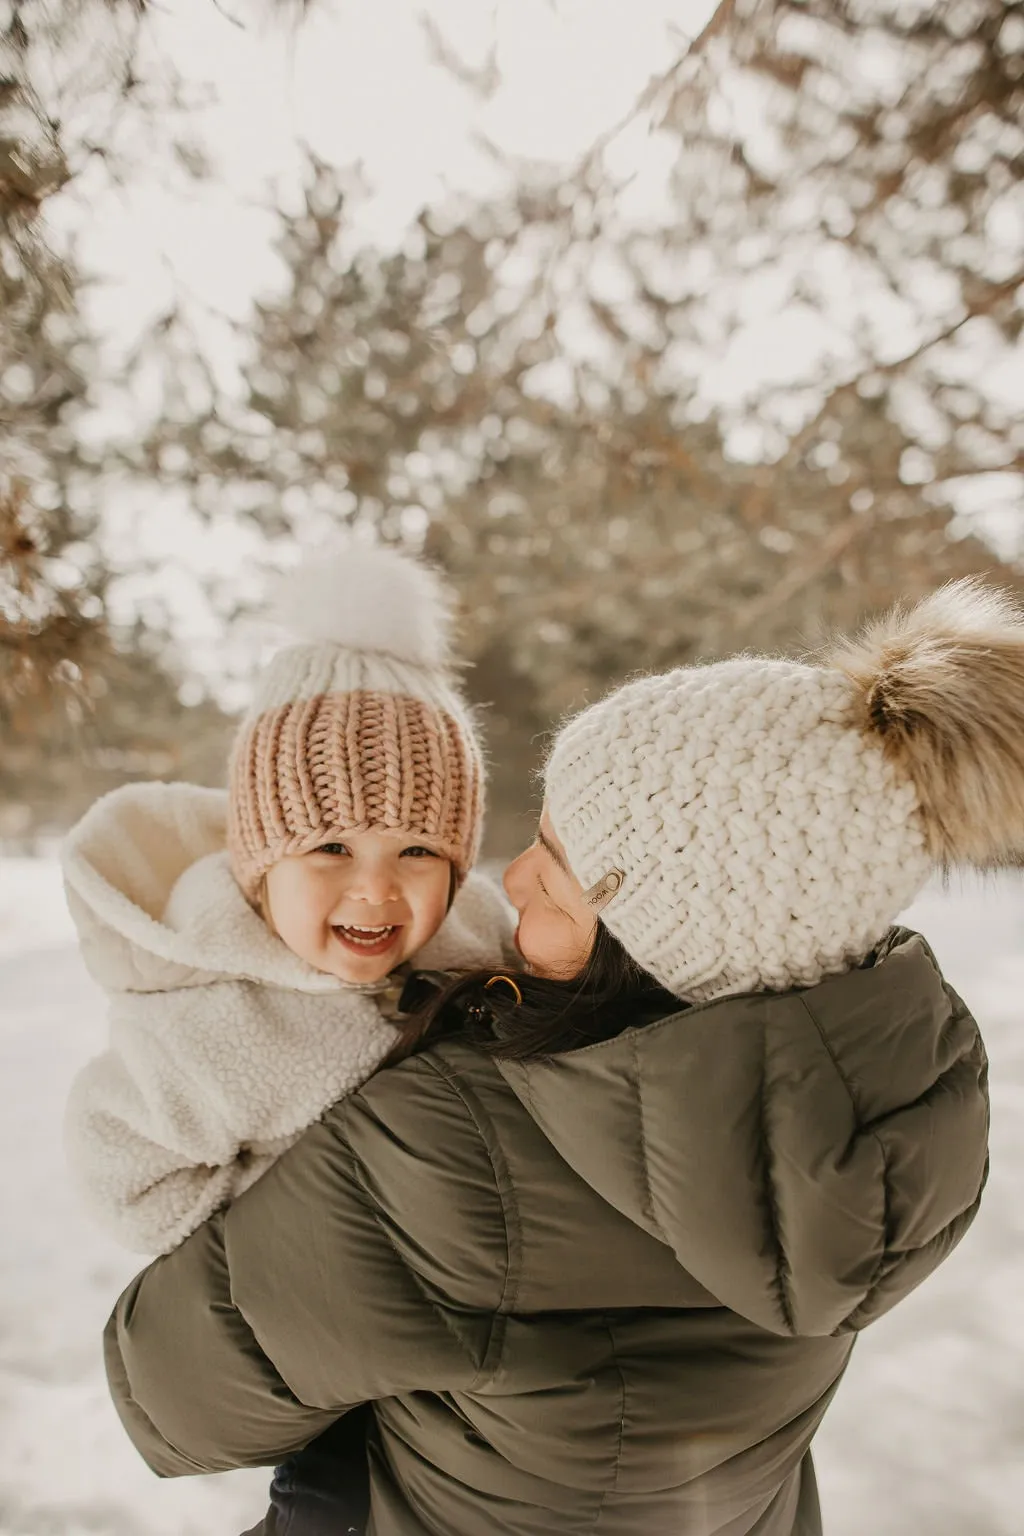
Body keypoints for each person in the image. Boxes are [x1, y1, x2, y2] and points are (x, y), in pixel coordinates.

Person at [102, 579, 1013, 1535]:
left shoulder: (458, 1146)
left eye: (556, 864)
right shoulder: (884, 1108)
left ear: (653, 942)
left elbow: (169, 1394)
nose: (509, 877)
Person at [61, 542, 514, 1535]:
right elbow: (120, 1165)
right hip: (332, 1377)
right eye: (330, 848)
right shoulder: (213, 1017)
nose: (376, 887)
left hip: (489, 1372)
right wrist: (292, 1235)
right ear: (261, 862)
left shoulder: (483, 947)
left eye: (419, 851)